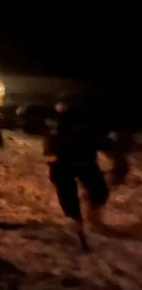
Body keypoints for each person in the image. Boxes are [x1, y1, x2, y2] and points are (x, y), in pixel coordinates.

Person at [44, 93, 127, 250]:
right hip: (62, 164)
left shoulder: (86, 123)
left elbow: (101, 140)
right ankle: (75, 221)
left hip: (85, 162)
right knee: (68, 194)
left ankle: (92, 215)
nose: (61, 108)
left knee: (99, 190)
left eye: (65, 105)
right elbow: (48, 143)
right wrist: (52, 159)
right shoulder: (54, 123)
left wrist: (116, 155)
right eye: (60, 105)